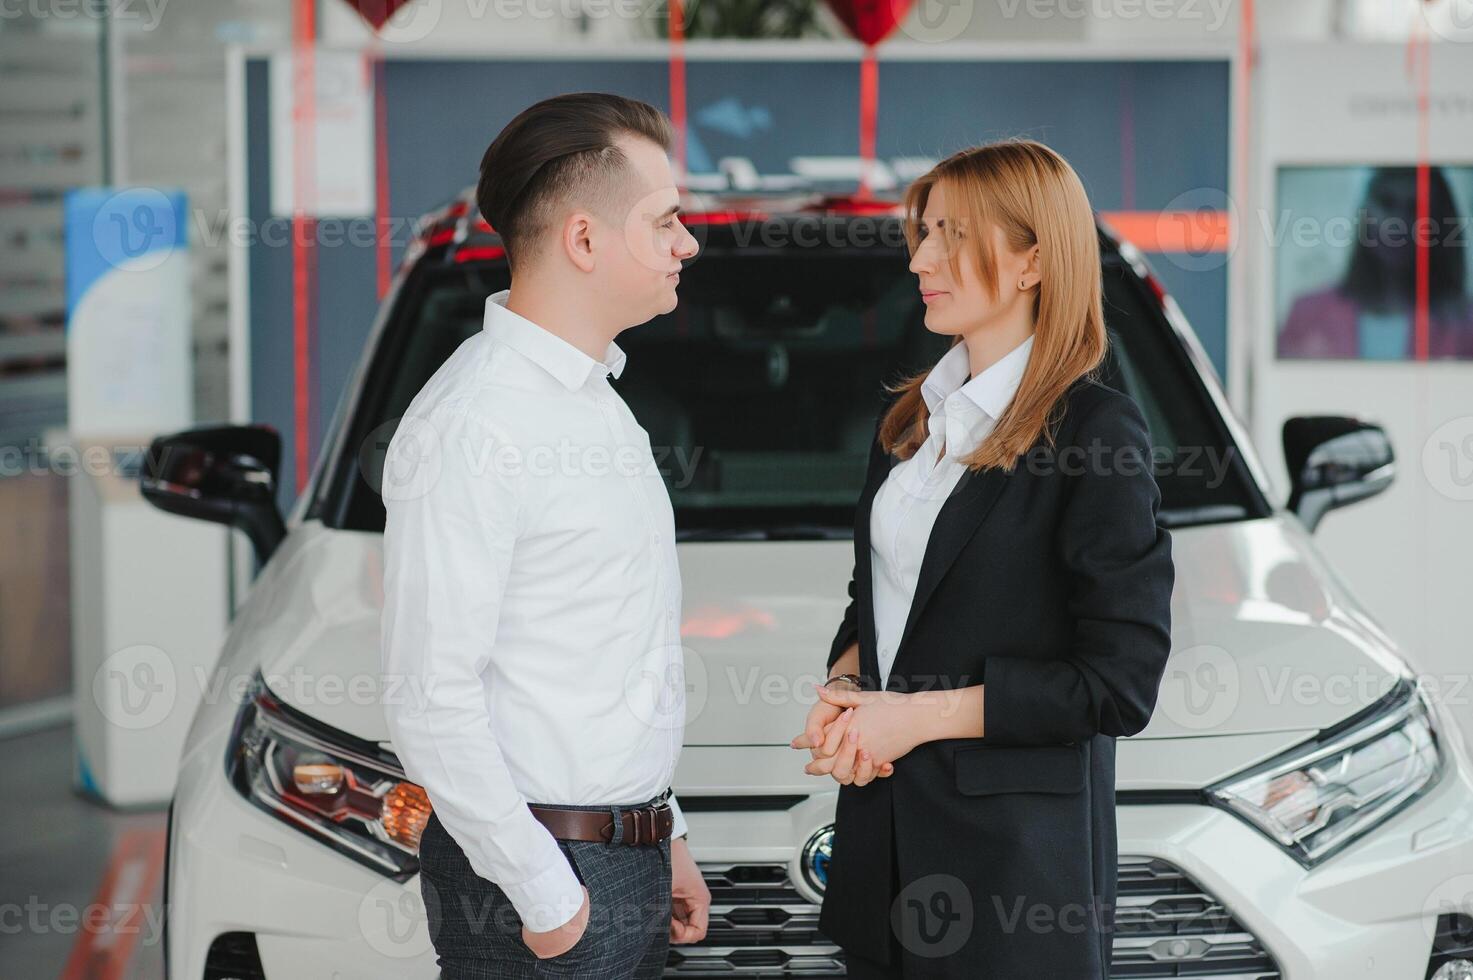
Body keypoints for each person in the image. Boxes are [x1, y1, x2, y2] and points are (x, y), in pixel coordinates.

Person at [791, 137, 1175, 979]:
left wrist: (913, 715)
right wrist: (852, 688)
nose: (921, 259)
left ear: (1033, 259)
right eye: (922, 233)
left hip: (1011, 884)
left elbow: (1117, 683)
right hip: (880, 855)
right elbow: (880, 602)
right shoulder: (910, 423)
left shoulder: (1094, 432)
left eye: (951, 236)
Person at [379, 92, 709, 979]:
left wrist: (660, 835)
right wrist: (549, 900)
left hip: (611, 861)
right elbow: (429, 692)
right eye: (666, 220)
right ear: (584, 238)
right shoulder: (475, 423)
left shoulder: (595, 400)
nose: (688, 243)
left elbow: (603, 653)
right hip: (540, 878)